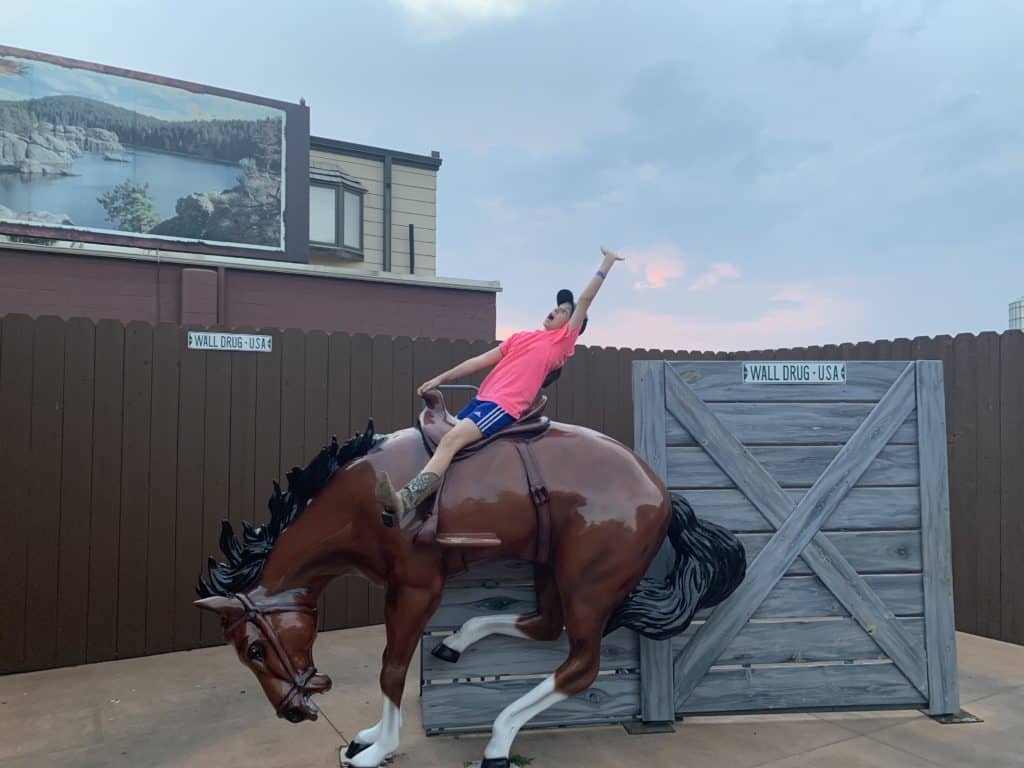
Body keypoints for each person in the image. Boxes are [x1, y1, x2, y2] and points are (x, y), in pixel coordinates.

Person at [375, 246, 625, 528]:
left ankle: (405, 500)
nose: (556, 310)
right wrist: (441, 378)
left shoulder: (561, 344)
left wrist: (606, 264)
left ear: (573, 326)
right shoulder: (520, 338)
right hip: (482, 400)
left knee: (451, 441)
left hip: (502, 407)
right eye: (556, 306)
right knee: (444, 442)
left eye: (565, 310)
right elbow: (480, 360)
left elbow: (585, 299)